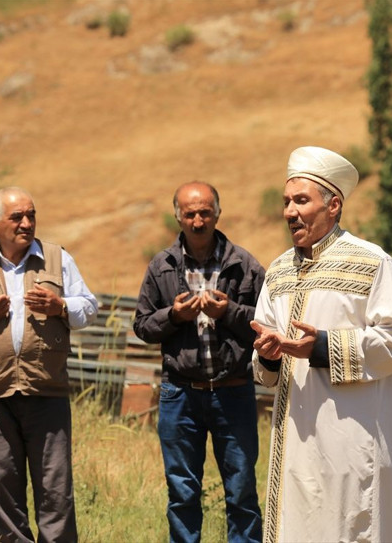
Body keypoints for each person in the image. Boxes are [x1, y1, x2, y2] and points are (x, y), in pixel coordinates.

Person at [250, 146, 392, 543]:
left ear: (334, 205)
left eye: (301, 200)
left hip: (352, 443)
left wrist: (321, 348)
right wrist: (269, 357)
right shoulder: (277, 272)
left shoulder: (372, 262)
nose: (290, 211)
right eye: (287, 201)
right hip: (294, 445)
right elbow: (263, 358)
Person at [0, 186, 98, 542]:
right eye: (17, 217)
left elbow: (89, 307)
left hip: (47, 390)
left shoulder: (58, 259)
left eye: (32, 215)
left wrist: (60, 307)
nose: (27, 223)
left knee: (55, 487)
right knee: (1, 482)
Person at [133, 181, 264, 543]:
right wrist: (174, 316)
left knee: (241, 491)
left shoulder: (244, 264)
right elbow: (142, 326)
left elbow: (269, 325)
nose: (197, 220)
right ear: (177, 217)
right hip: (180, 395)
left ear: (218, 213)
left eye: (205, 211)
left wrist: (230, 312)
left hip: (233, 392)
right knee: (182, 493)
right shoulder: (162, 266)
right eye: (189, 213)